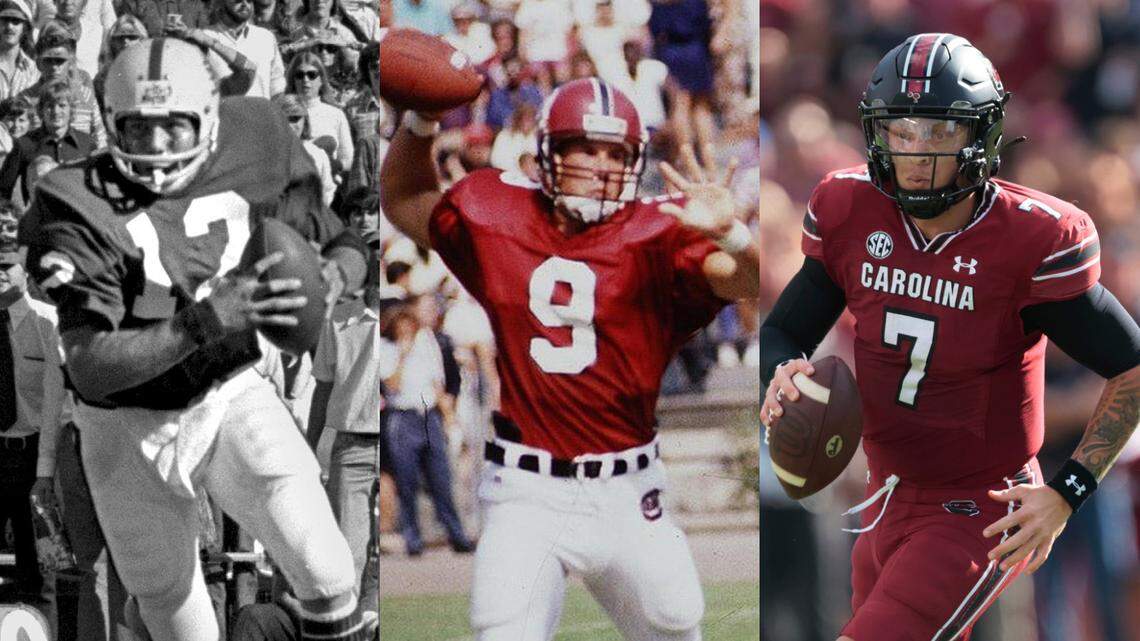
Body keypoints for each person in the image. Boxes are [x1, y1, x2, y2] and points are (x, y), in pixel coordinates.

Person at [758, 33, 1140, 641]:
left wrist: (1068, 492)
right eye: (901, 131)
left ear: (981, 136)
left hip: (979, 508)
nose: (916, 152)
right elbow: (784, 330)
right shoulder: (848, 208)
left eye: (940, 131)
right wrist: (781, 371)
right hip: (883, 499)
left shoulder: (1033, 238)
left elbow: (1131, 366)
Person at [380, 77, 759, 640]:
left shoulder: (661, 231)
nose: (602, 165)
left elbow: (751, 281)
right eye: (586, 147)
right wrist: (420, 123)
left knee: (676, 621)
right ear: (548, 152)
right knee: (501, 629)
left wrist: (732, 234)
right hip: (524, 488)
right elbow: (408, 202)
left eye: (616, 153)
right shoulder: (497, 212)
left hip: (628, 487)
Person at [18, 38, 369, 641]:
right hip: (123, 425)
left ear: (209, 117)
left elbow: (344, 243)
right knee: (182, 623)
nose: (155, 148)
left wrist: (335, 274)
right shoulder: (70, 198)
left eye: (174, 126)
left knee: (330, 573)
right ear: (107, 122)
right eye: (137, 127)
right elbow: (89, 364)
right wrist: (202, 321)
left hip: (227, 391)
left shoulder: (256, 134)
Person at [0, 247, 65, 603]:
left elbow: (60, 404)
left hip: (37, 457)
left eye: (6, 265)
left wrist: (47, 471)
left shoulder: (49, 323)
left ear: (27, 271)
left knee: (42, 567)